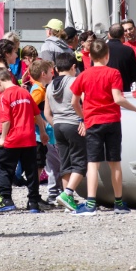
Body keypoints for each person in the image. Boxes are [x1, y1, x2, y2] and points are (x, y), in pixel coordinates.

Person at [70, 39, 136, 215]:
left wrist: (84, 116)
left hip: (93, 123)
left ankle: (90, 204)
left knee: (93, 164)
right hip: (112, 121)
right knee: (115, 163)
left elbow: (74, 101)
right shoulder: (113, 73)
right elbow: (118, 99)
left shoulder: (83, 75)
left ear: (90, 56)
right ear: (107, 56)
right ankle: (119, 203)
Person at [0, 68, 50, 213]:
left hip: (12, 139)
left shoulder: (4, 97)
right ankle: (34, 202)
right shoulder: (25, 93)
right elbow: (38, 115)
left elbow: (6, 121)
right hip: (29, 138)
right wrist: (42, 132)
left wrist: (2, 138)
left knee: (3, 167)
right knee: (31, 171)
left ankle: (6, 200)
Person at [45, 52, 87, 212]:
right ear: (74, 67)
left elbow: (47, 113)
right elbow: (85, 102)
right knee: (80, 163)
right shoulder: (75, 81)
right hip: (74, 124)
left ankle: (67, 200)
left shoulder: (50, 86)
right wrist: (84, 120)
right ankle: (67, 194)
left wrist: (56, 124)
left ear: (56, 68)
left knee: (65, 164)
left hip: (58, 126)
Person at [28, 60, 61, 204]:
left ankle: (45, 194)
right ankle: (35, 196)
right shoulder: (39, 90)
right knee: (41, 165)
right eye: (50, 71)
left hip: (42, 133)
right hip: (39, 134)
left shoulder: (41, 88)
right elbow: (30, 110)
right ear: (43, 74)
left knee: (45, 164)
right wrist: (43, 123)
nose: (52, 73)